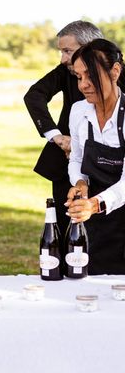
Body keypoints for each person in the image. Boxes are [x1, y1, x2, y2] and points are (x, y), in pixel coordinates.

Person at [24, 21, 103, 233]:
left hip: (109, 169)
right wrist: (57, 137)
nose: (63, 59)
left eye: (67, 51)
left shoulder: (119, 75)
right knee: (64, 228)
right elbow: (34, 95)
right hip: (65, 164)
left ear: (92, 47)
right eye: (61, 51)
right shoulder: (65, 70)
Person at [66, 38, 125, 275]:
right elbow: (77, 159)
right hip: (97, 222)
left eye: (91, 75)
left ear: (115, 71)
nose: (84, 85)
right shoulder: (79, 111)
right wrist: (80, 183)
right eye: (79, 77)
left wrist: (95, 203)